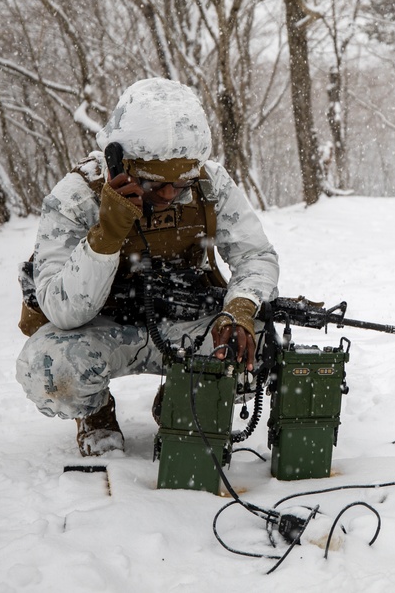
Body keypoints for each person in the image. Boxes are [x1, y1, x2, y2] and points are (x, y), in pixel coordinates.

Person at [15, 78, 279, 457]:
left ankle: (181, 396)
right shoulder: (75, 197)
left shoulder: (210, 183)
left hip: (183, 328)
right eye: (155, 183)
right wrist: (106, 234)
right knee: (50, 369)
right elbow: (61, 309)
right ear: (118, 163)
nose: (171, 194)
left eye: (182, 182)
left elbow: (256, 256)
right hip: (102, 333)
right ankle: (96, 414)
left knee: (259, 347)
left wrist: (238, 311)